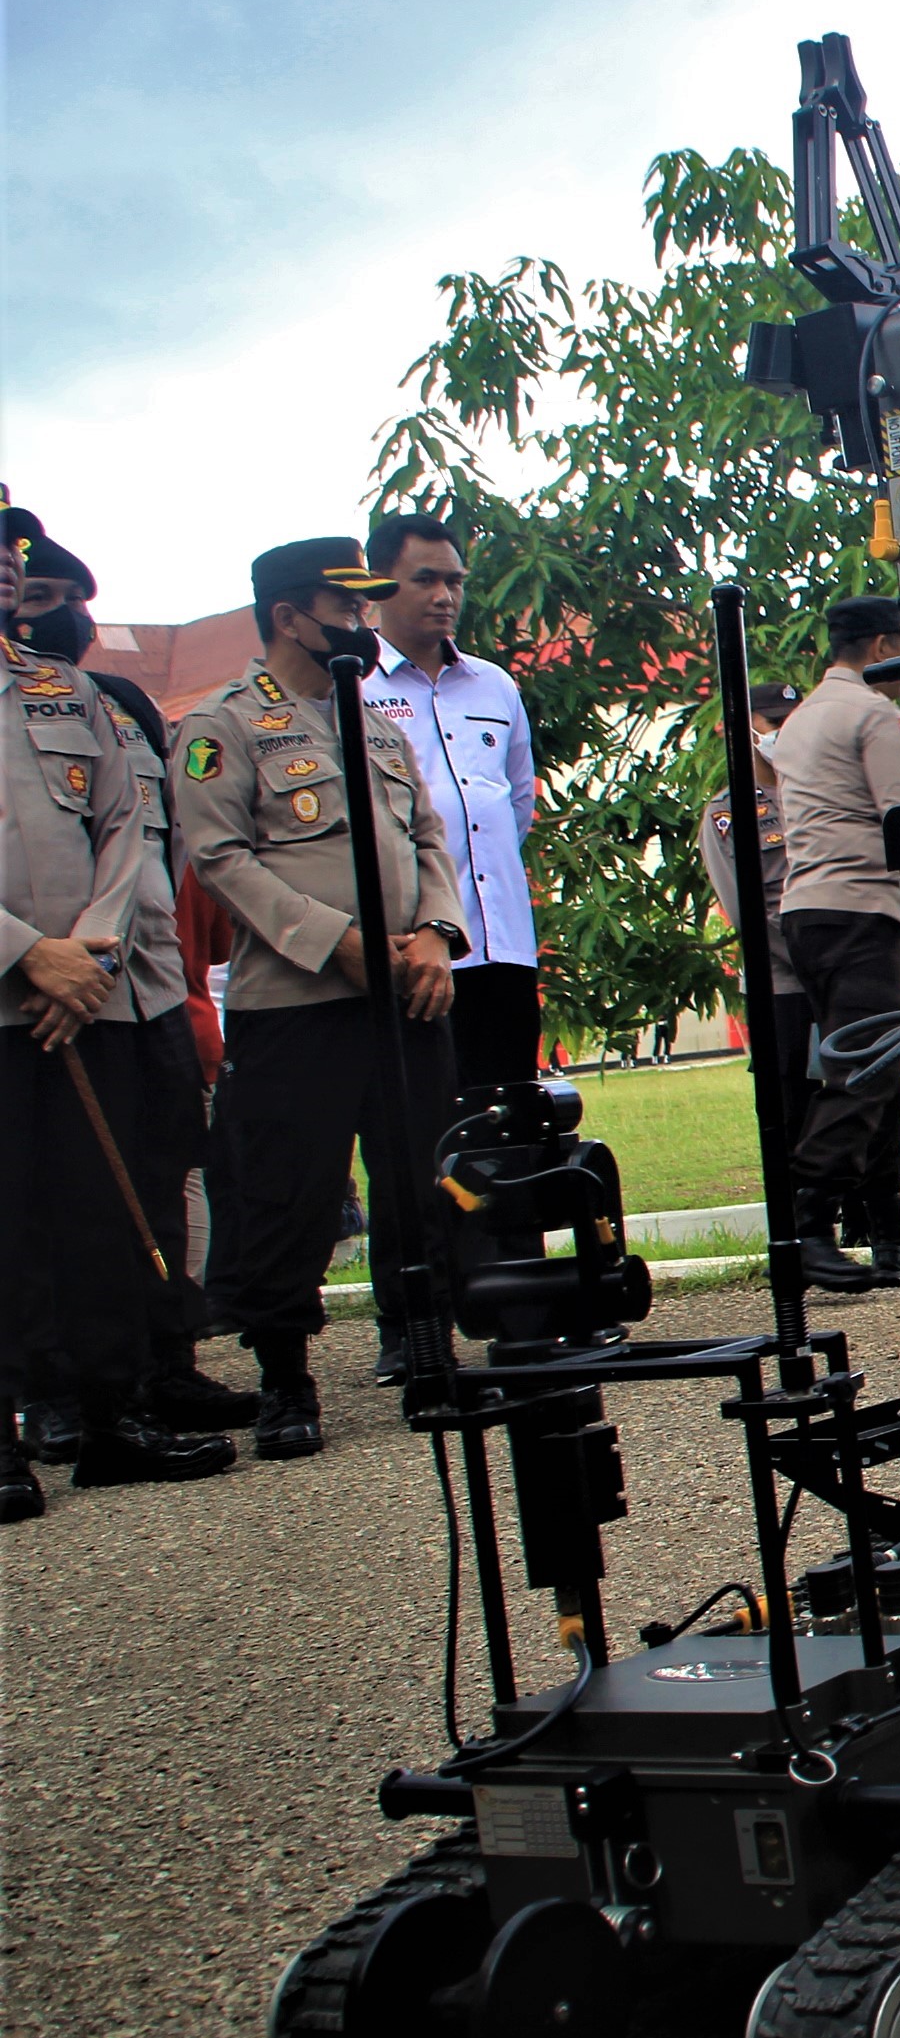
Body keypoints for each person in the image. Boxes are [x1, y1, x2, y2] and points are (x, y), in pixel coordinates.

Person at [172, 538, 467, 1460]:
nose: (363, 621)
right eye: (346, 607)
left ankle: (427, 1347)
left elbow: (427, 835)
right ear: (289, 617)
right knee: (285, 1193)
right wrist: (333, 945)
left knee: (422, 1177)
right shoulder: (222, 725)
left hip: (406, 992)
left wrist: (435, 935)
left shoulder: (376, 721)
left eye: (367, 604)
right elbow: (220, 861)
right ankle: (285, 1379)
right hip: (297, 999)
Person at [3, 506, 259, 1445]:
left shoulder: (89, 698)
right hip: (27, 996)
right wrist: (32, 955)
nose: (46, 607)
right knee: (24, 1216)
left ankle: (145, 1387)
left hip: (120, 990)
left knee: (127, 1199)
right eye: (35, 592)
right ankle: (37, 1408)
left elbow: (135, 836)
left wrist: (92, 948)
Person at [360, 514, 545, 1086]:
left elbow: (516, 804)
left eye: (455, 581)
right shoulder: (353, 687)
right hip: (417, 954)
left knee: (512, 1119)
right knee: (432, 1123)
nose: (445, 597)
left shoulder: (494, 685)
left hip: (503, 943)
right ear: (378, 583)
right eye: (425, 580)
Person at [778, 595, 900, 1292]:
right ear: (878, 647)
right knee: (865, 1067)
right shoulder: (872, 713)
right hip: (862, 904)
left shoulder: (803, 716)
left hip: (809, 910)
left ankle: (889, 1226)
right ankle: (809, 1216)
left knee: (881, 1067)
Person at [696, 679, 812, 1161]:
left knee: (858, 1097)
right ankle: (806, 1223)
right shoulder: (729, 813)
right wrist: (818, 951)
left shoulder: (827, 795)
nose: (786, 733)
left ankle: (866, 1212)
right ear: (746, 730)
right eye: (774, 724)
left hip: (841, 978)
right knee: (790, 1106)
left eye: (793, 722)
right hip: (782, 984)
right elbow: (747, 912)